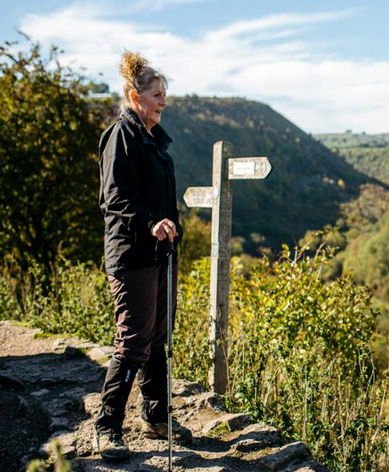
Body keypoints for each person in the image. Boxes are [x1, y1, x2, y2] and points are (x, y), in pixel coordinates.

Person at [95, 51, 191, 462]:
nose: (163, 101)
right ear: (135, 97)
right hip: (131, 254)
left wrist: (169, 225)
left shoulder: (152, 139)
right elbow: (113, 197)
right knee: (133, 341)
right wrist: (151, 222)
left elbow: (158, 196)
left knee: (156, 340)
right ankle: (106, 426)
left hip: (157, 253)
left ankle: (155, 416)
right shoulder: (121, 135)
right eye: (156, 95)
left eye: (164, 94)